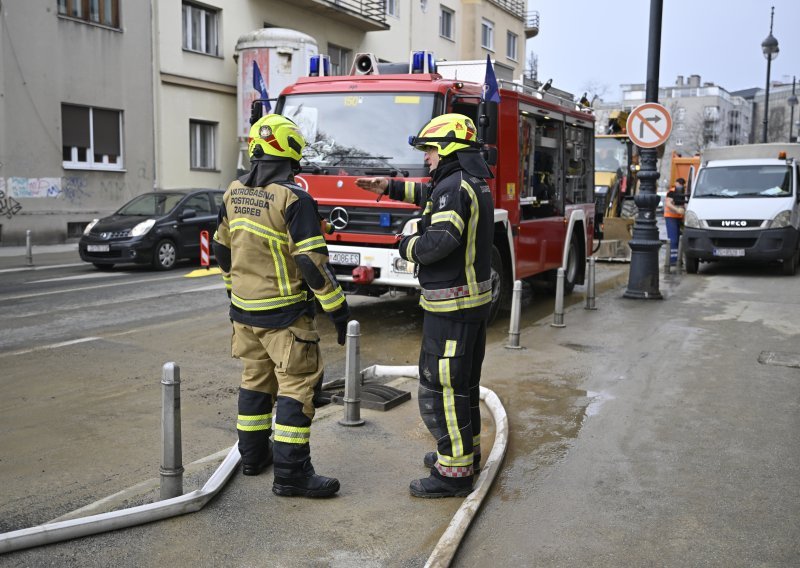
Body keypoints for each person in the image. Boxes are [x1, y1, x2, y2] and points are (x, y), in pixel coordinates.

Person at [355, 113, 493, 498]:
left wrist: (404, 244)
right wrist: (389, 187)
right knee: (462, 387)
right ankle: (465, 454)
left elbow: (439, 241)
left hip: (452, 310)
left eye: (431, 149)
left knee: (440, 389)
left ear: (448, 147)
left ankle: (454, 474)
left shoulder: (455, 187)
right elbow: (431, 194)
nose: (427, 157)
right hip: (466, 307)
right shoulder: (468, 181)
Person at [213, 114, 350, 498]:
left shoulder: (232, 193)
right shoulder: (294, 198)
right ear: (290, 152)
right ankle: (292, 475)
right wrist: (338, 309)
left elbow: (222, 251)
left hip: (244, 313)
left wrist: (232, 293)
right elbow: (311, 263)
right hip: (286, 316)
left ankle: (254, 457)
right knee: (296, 387)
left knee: (255, 382)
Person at [664, 177, 687, 265]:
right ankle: (673, 260)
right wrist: (677, 210)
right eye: (679, 184)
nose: (680, 186)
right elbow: (668, 203)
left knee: (678, 239)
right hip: (671, 217)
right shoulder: (672, 192)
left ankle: (677, 259)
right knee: (673, 239)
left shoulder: (682, 192)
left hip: (678, 218)